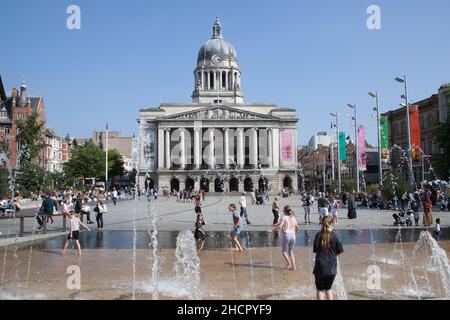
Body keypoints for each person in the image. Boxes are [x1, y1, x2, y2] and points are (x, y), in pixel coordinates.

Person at [313, 216, 344, 300]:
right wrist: (332, 257)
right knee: (328, 289)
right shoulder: (335, 236)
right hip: (331, 267)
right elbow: (339, 252)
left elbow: (316, 250)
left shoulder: (318, 235)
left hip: (320, 266)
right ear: (331, 224)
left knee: (319, 289)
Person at [274, 205, 299, 270]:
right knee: (291, 251)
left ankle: (288, 263)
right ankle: (294, 266)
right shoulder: (293, 217)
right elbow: (297, 228)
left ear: (285, 211)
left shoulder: (284, 217)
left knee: (284, 251)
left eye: (283, 210)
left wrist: (272, 229)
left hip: (286, 235)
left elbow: (280, 227)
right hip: (293, 235)